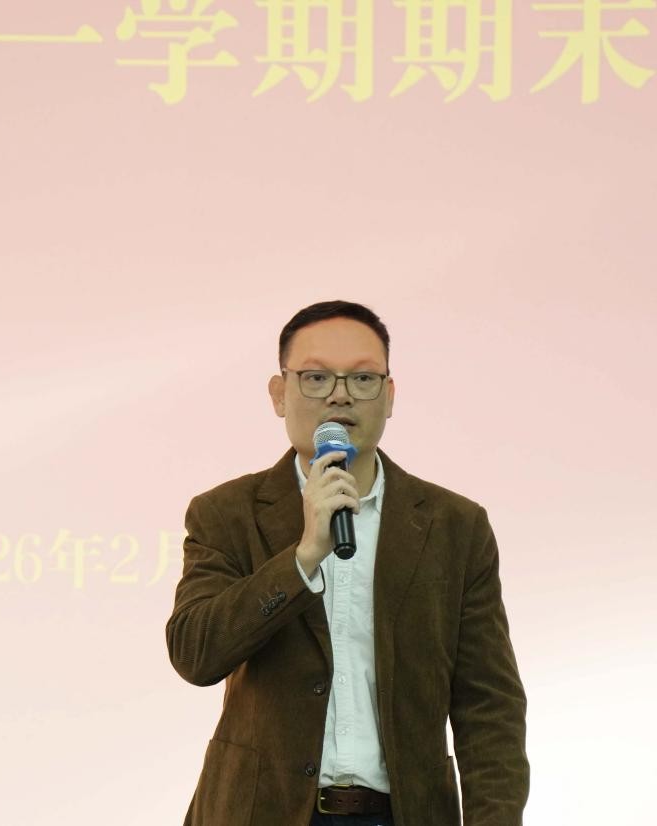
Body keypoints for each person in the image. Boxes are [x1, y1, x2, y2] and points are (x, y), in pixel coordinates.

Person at [167, 300, 528, 825]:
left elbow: (489, 704)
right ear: (279, 393)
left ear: (390, 395)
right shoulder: (226, 513)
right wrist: (302, 557)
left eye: (363, 378)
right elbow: (195, 653)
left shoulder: (455, 525)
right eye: (316, 378)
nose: (340, 394)